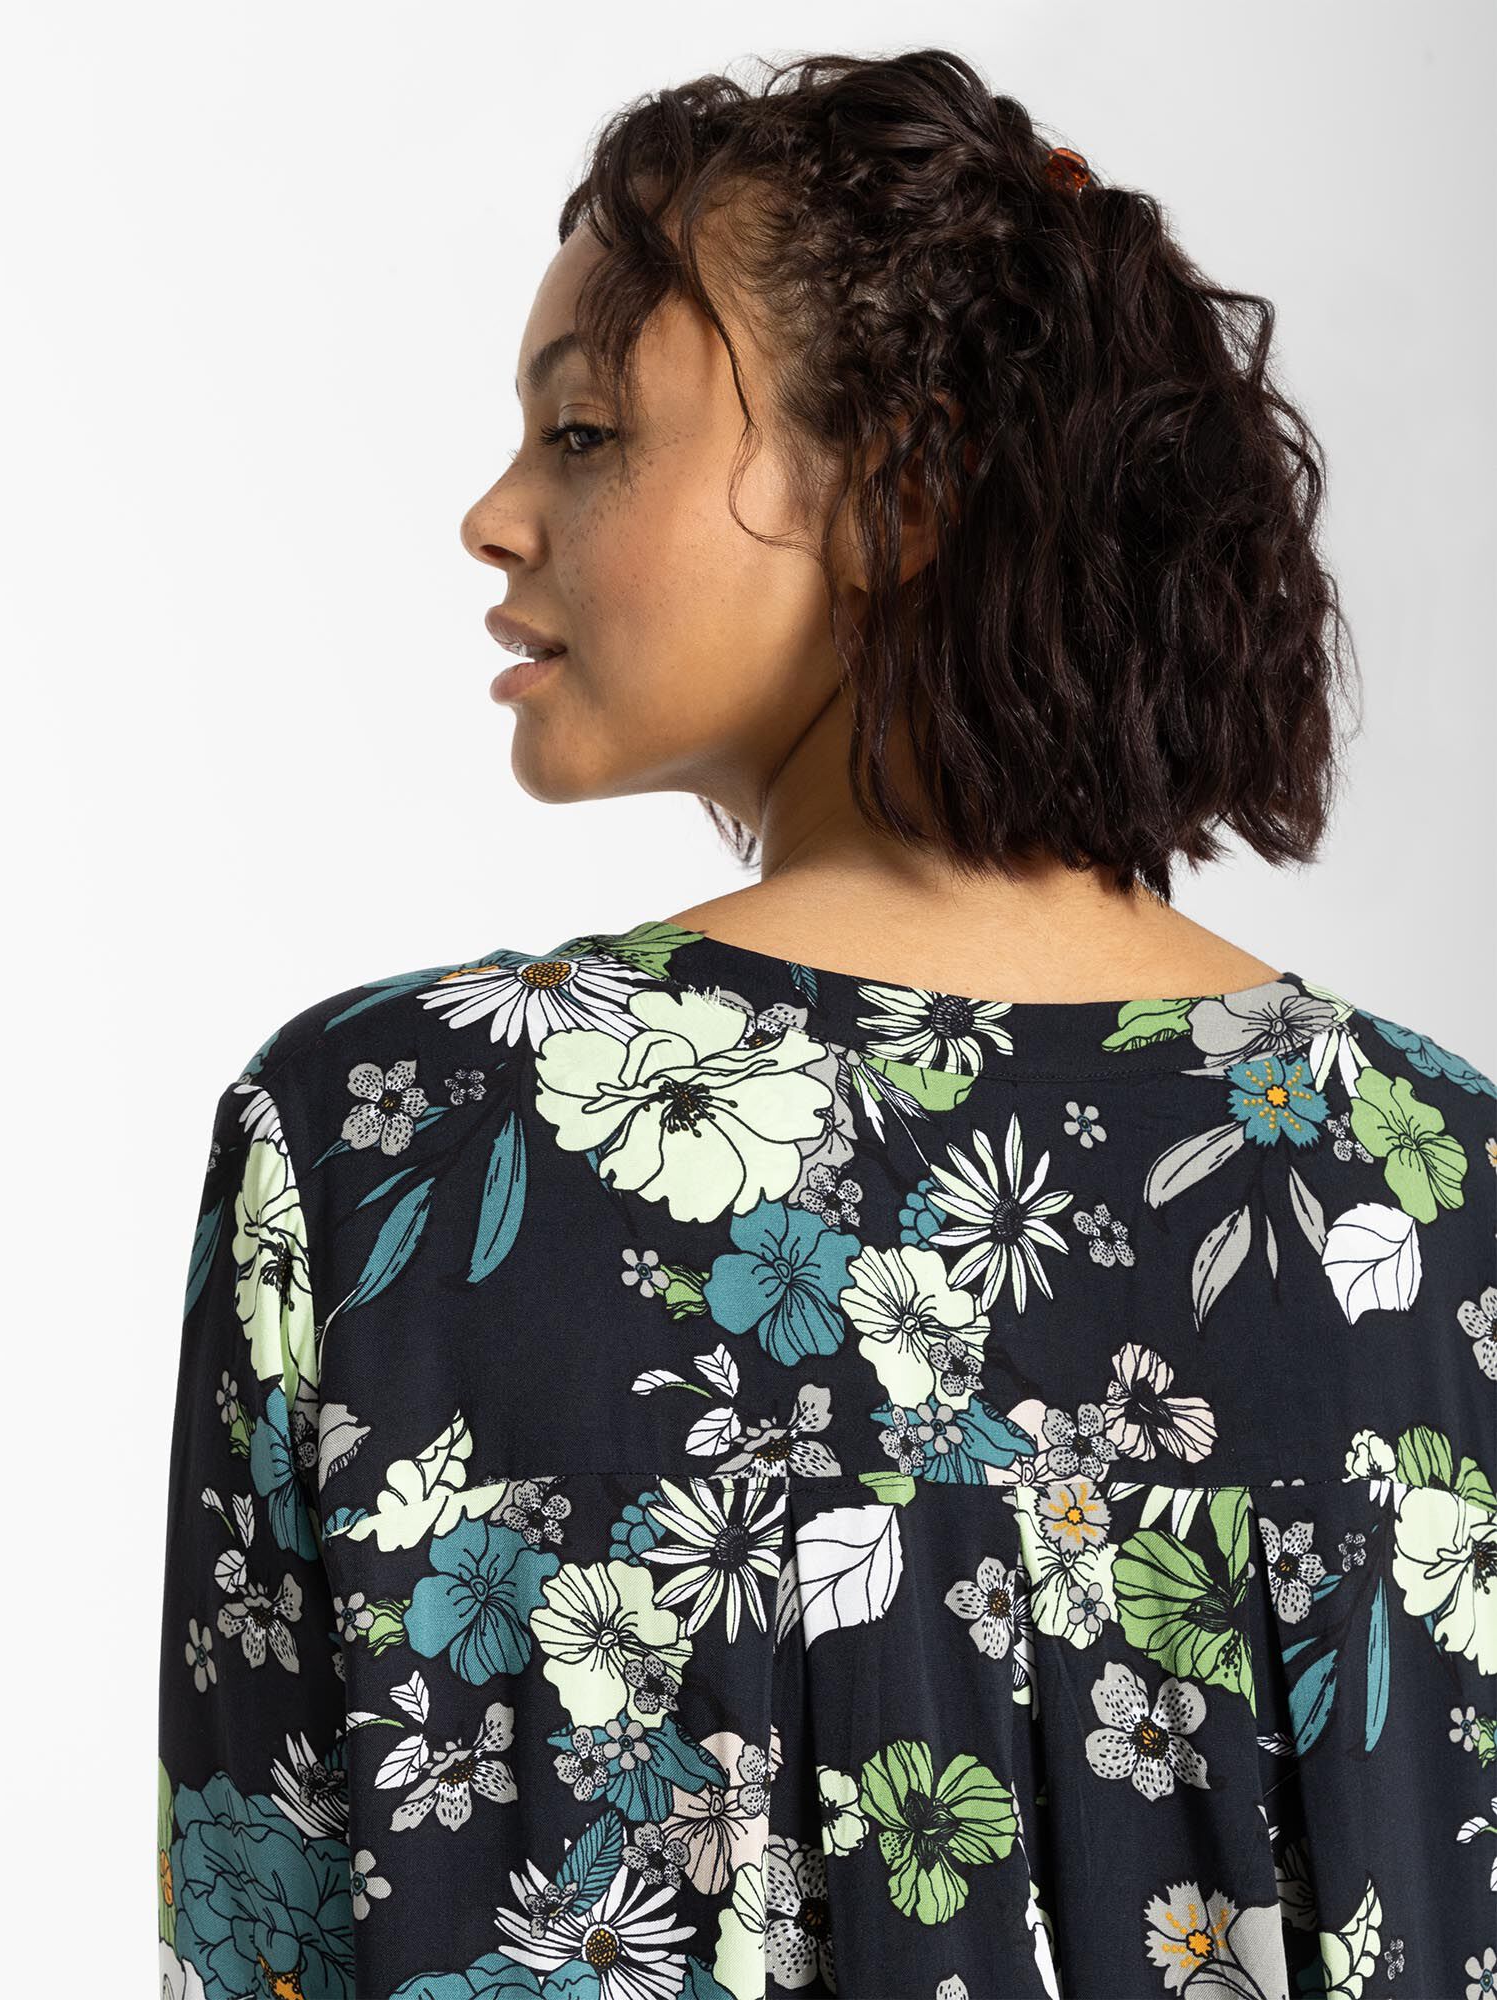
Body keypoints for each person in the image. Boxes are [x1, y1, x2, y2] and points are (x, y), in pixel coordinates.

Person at [156, 48, 1496, 2000]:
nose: (492, 515)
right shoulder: (1443, 1192)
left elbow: (260, 1934)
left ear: (900, 486)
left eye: (586, 432)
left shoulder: (392, 1145)